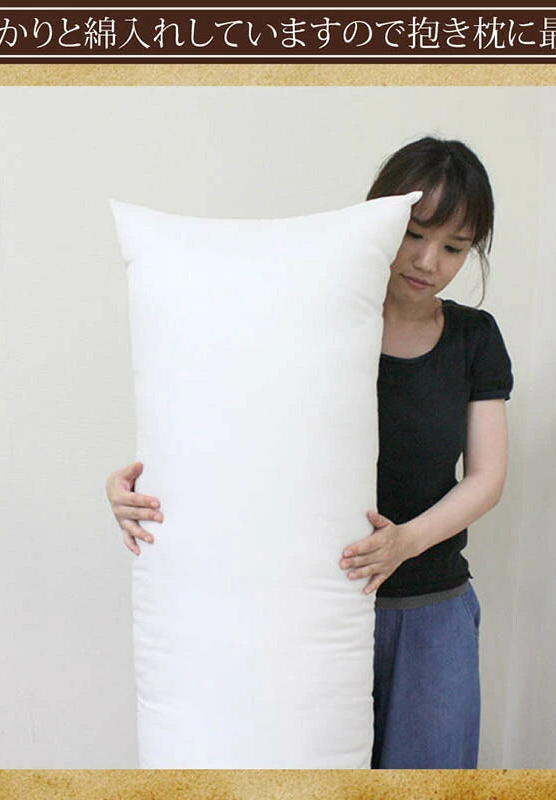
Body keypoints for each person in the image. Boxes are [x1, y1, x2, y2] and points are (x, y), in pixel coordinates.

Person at [105, 136, 513, 769]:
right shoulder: (311, 318)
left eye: (454, 248)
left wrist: (404, 542)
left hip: (430, 611)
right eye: (414, 235)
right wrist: (131, 488)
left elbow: (486, 477)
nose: (428, 261)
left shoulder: (473, 337)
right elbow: (227, 428)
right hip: (309, 617)